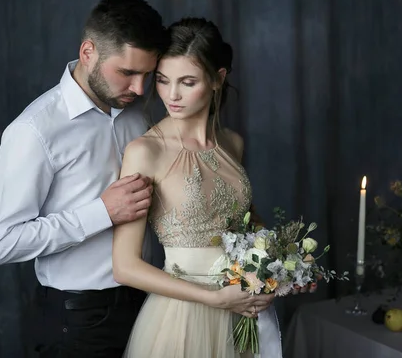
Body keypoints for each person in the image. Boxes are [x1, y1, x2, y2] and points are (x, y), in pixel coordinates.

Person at [0, 0, 166, 357]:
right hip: (79, 321)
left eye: (148, 74)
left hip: (150, 304)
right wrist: (101, 212)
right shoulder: (34, 131)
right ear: (88, 53)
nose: (140, 89)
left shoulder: (135, 113)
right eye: (127, 72)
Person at [112, 18, 285, 358]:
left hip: (243, 307)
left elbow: (248, 223)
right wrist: (215, 298)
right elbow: (124, 266)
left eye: (187, 82)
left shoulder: (232, 143)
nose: (171, 95)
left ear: (218, 79)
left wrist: (275, 271)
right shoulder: (146, 152)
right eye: (162, 81)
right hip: (183, 315)